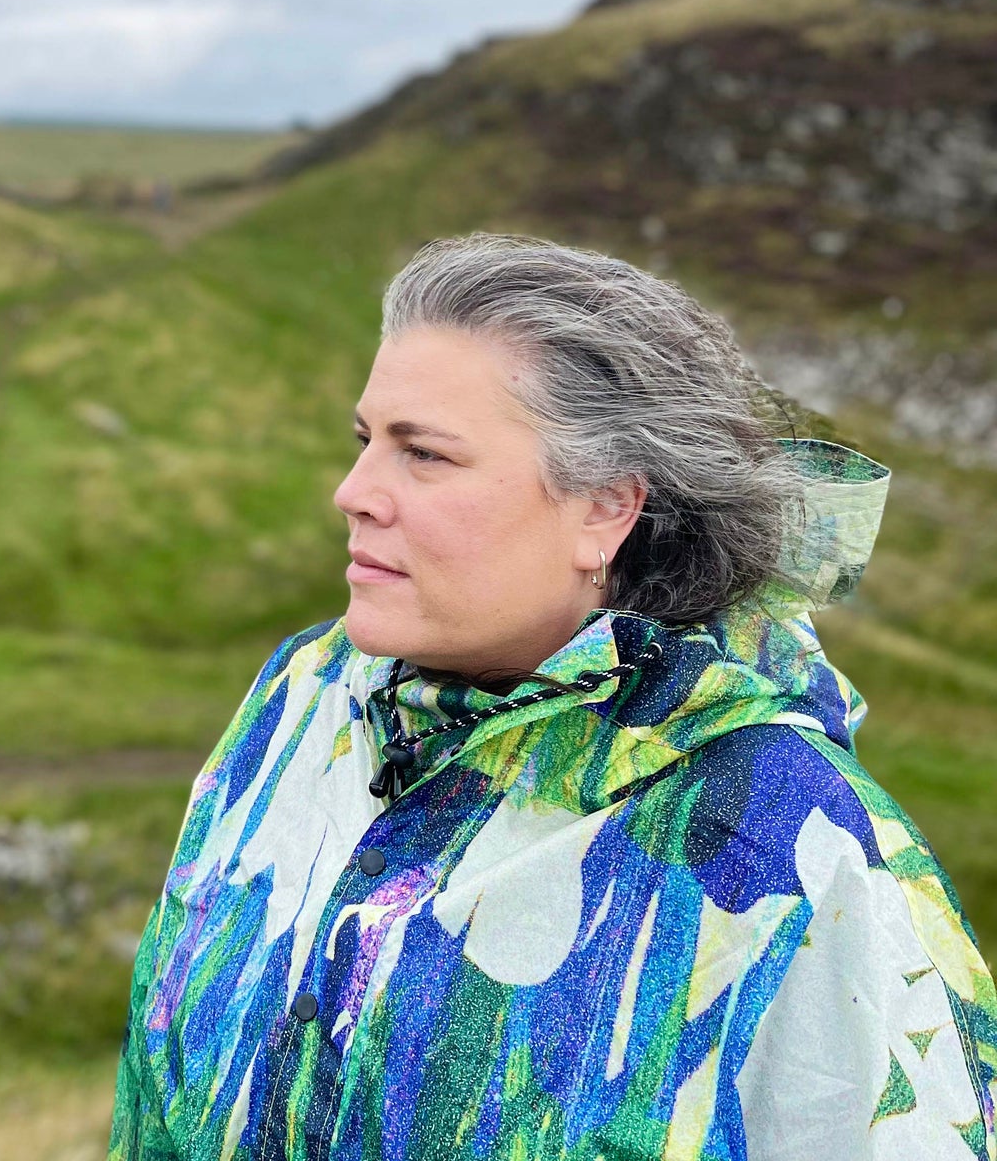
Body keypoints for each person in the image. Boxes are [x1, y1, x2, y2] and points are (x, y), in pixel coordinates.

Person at [109, 233, 997, 1161]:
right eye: (367, 441)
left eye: (427, 456)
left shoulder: (790, 834)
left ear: (606, 509)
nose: (353, 491)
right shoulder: (303, 698)